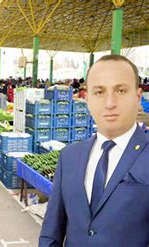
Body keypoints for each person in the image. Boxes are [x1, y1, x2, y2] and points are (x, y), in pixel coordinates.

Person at [39, 55, 148, 246]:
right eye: (99, 92)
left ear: (138, 97)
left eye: (121, 90)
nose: (109, 103)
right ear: (87, 99)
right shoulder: (69, 157)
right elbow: (51, 232)